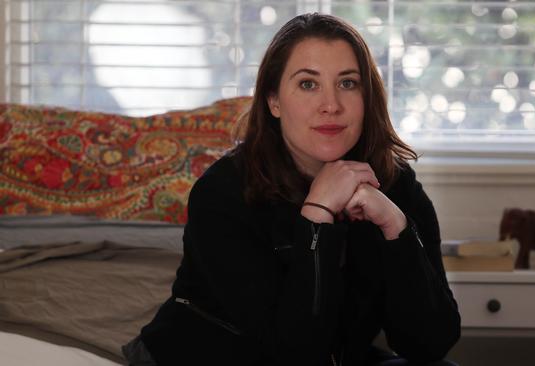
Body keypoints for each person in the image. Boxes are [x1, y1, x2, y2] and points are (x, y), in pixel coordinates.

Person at [123, 13, 460, 366]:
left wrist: (397, 227)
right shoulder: (222, 193)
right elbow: (294, 354)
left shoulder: (393, 184)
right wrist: (317, 215)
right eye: (308, 84)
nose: (331, 105)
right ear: (274, 101)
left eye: (348, 83)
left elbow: (430, 345)